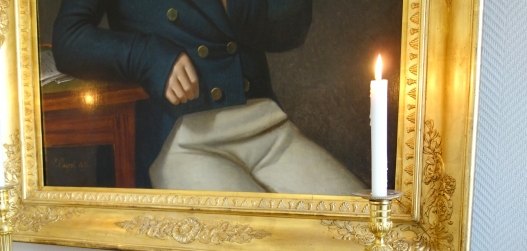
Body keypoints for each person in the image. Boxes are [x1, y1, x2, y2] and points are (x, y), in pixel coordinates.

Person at [53, 0, 363, 193]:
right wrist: (150, 57)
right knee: (261, 248)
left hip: (266, 124)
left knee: (359, 227)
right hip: (181, 137)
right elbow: (69, 39)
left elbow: (291, 29)